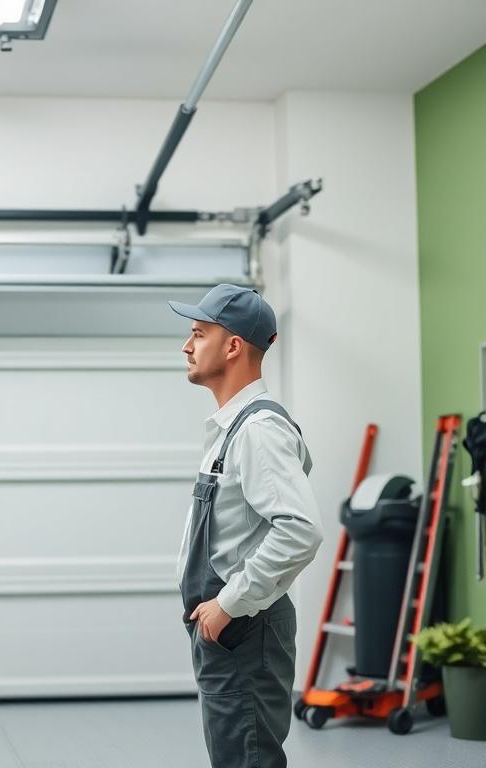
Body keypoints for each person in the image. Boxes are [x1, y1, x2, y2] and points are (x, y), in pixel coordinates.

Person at [168, 284, 324, 768]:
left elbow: (299, 530)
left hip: (242, 628)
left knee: (246, 759)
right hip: (228, 630)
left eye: (198, 333)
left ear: (234, 345)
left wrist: (228, 605)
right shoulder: (233, 428)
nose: (186, 346)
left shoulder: (257, 430)